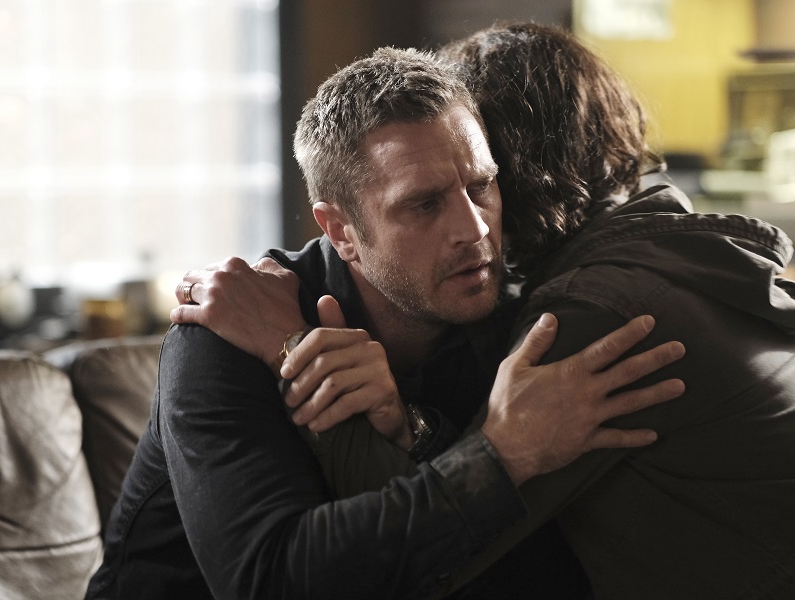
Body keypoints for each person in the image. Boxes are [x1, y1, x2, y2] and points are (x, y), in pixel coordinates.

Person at [173, 23, 795, 600]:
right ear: (340, 230)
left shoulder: (517, 321)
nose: (474, 229)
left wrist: (419, 429)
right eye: (424, 203)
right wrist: (501, 453)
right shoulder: (225, 331)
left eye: (482, 185)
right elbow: (269, 581)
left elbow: (521, 564)